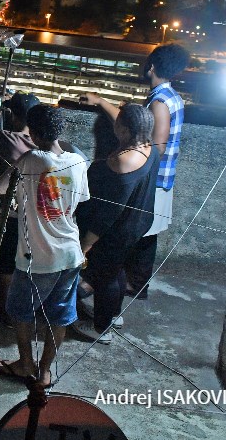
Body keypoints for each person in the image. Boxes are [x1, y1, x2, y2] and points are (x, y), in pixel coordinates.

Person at [78, 43, 189, 297]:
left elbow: (154, 143)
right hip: (161, 179)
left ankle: (124, 287)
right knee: (144, 236)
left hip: (154, 180)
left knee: (131, 236)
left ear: (151, 67)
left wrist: (100, 102)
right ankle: (133, 286)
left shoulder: (160, 102)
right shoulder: (171, 96)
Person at [0, 104, 89, 389]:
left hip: (37, 258)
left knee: (20, 310)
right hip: (71, 254)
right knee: (58, 316)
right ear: (62, 129)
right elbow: (76, 202)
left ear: (32, 133)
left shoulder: (30, 159)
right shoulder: (78, 162)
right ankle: (45, 372)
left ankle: (25, 364)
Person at [72, 104, 159, 343]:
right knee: (117, 269)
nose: (115, 126)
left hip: (117, 230)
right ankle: (112, 315)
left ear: (126, 130)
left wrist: (87, 243)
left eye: (119, 122)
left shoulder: (122, 162)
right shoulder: (149, 149)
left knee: (105, 276)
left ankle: (101, 328)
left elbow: (109, 212)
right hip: (138, 224)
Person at [0, 92, 41, 326]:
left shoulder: (8, 139)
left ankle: (7, 314)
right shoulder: (46, 146)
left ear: (13, 116)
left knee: (6, 265)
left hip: (17, 212)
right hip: (41, 214)